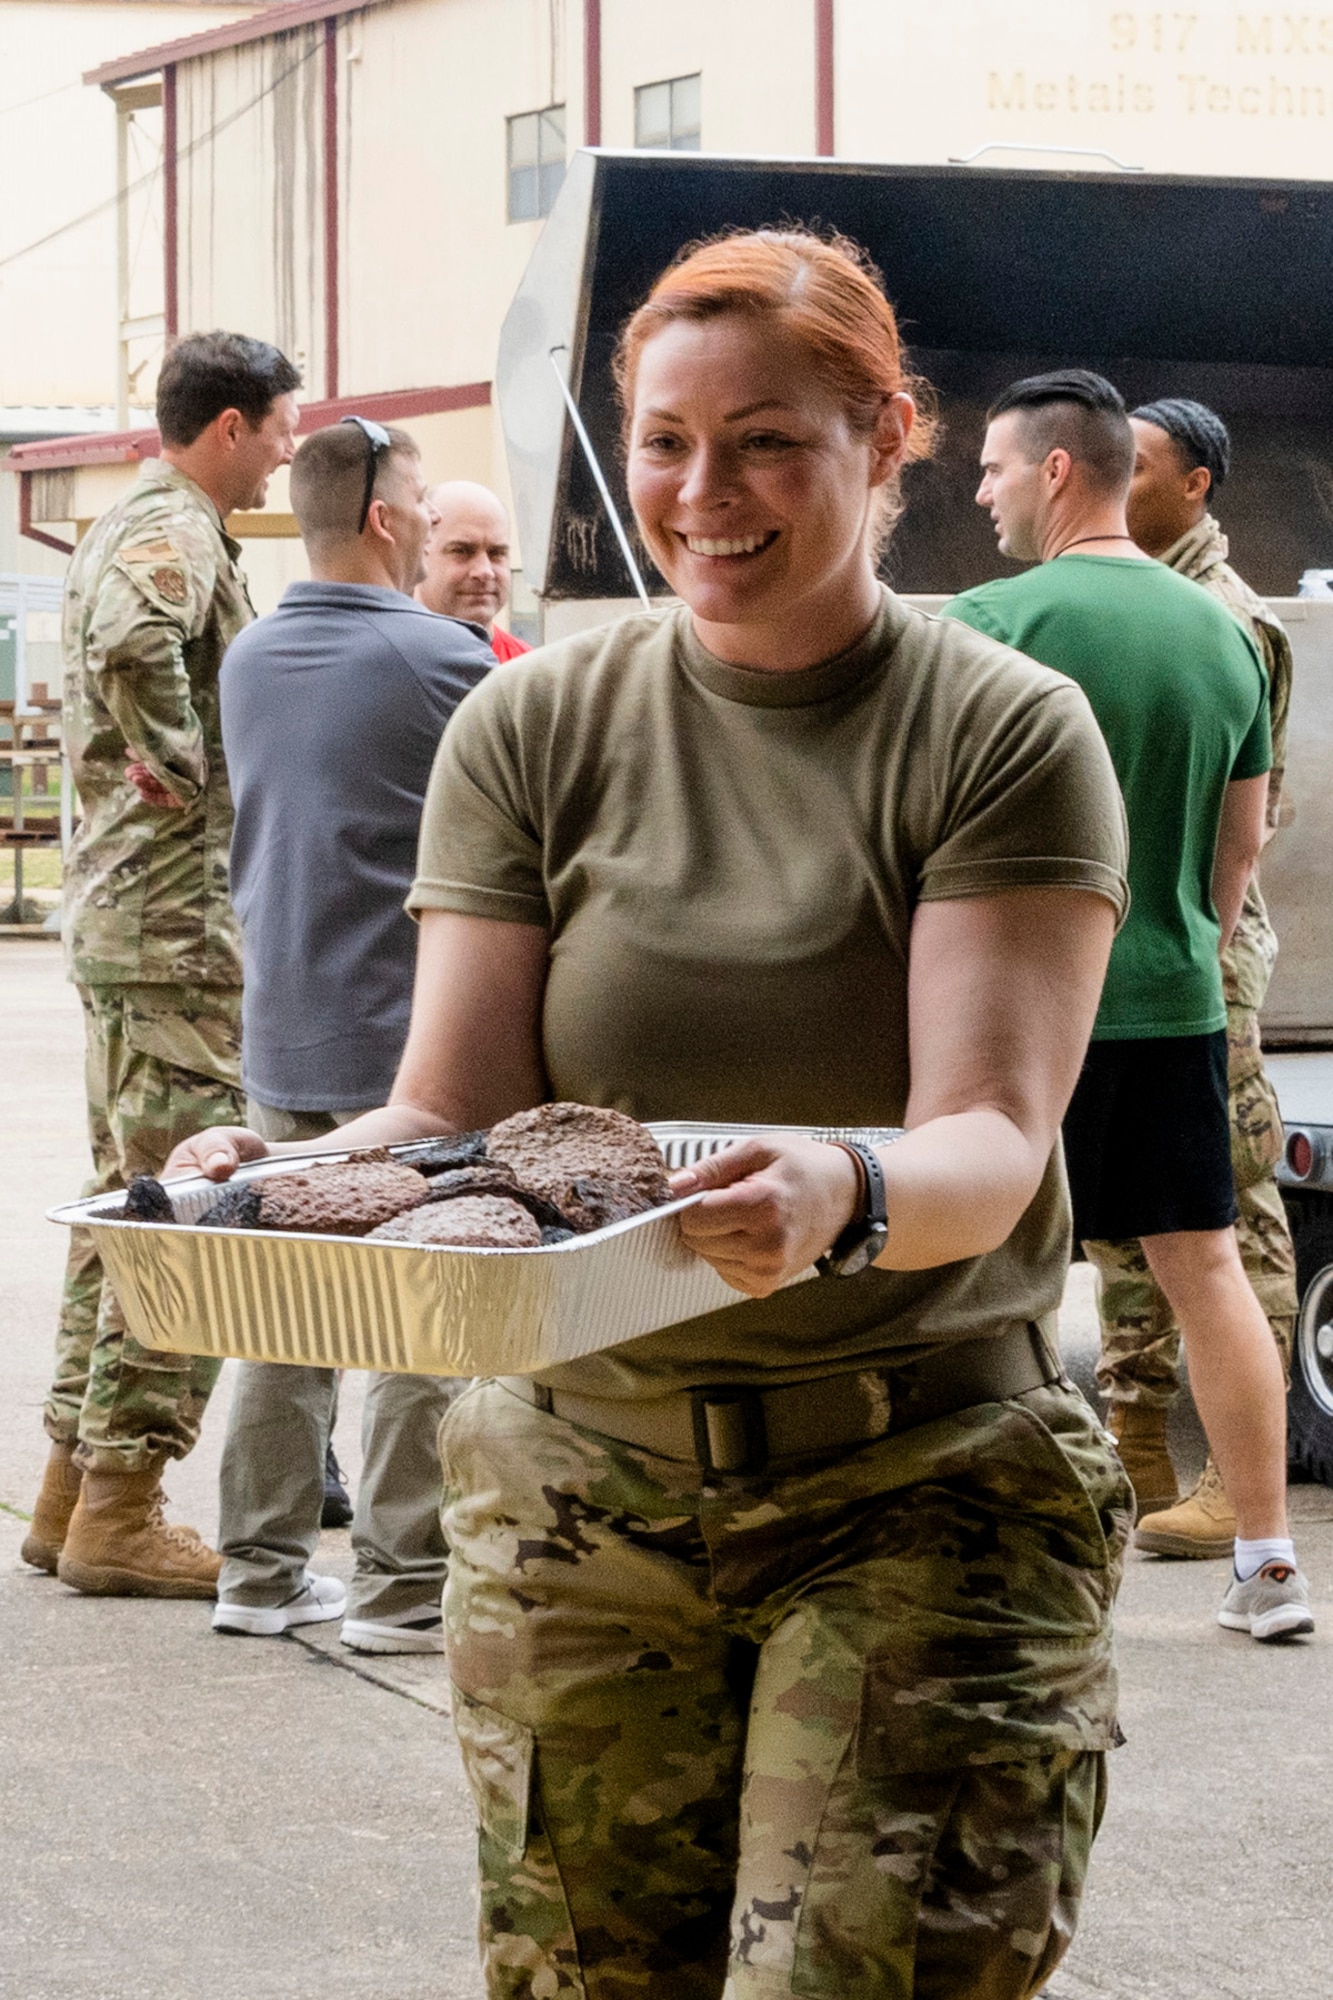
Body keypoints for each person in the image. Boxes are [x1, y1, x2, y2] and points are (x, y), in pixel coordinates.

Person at [170, 228, 1136, 1999]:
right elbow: (451, 1110)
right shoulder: (533, 723)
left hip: (918, 1490)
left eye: (767, 437)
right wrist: (277, 1177)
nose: (705, 492)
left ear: (884, 433)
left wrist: (837, 1187)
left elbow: (989, 1142)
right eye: (666, 441)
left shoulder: (996, 728)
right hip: (575, 1502)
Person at [945, 369, 1313, 1642]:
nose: (980, 489)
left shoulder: (989, 620)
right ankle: (1269, 1563)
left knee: (995, 1280)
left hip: (1017, 1017)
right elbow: (1241, 848)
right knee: (1205, 1269)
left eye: (992, 467)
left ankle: (1004, 1562)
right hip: (1172, 999)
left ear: (1055, 471)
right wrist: (1178, 935)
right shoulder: (1226, 627)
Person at [22, 331, 300, 1599]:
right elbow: (141, 641)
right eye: (282, 426)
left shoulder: (142, 518)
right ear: (231, 426)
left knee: (123, 1202)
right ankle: (126, 1504)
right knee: (186, 1209)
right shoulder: (174, 530)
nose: (290, 449)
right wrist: (184, 772)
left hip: (136, 928)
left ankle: (75, 1489)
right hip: (176, 931)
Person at [210, 419, 494, 1649]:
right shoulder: (448, 662)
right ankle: (399, 1586)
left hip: (280, 1034)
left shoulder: (248, 656)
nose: (437, 528)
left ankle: (259, 1574)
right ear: (385, 519)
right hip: (406, 1054)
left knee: (284, 1317)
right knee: (418, 1316)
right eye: (427, 506)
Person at [1086, 398, 1298, 1556]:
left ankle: (1233, 1473)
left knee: (1226, 1206)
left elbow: (1244, 824)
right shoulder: (1128, 596)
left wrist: (1199, 954)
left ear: (1198, 485)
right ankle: (1132, 1440)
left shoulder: (1227, 617)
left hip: (1200, 951)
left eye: (1144, 465)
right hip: (1128, 941)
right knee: (1126, 1216)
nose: (1118, 478)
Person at [415, 479, 531, 658]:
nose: (485, 571)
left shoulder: (527, 672)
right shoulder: (386, 663)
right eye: (462, 551)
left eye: (497, 553)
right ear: (419, 552)